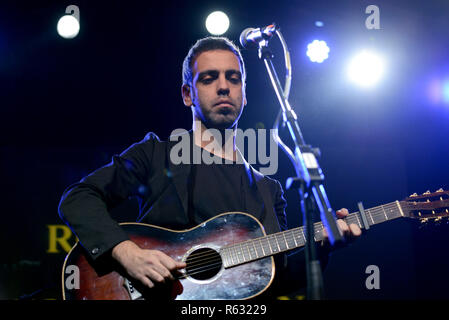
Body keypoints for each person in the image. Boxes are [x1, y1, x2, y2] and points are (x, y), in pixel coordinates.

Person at [58, 36, 361, 299]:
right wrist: (128, 254)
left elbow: (274, 280)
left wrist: (322, 247)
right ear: (187, 94)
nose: (223, 87)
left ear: (244, 92)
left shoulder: (268, 190)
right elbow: (78, 198)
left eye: (233, 78)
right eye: (209, 78)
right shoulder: (155, 155)